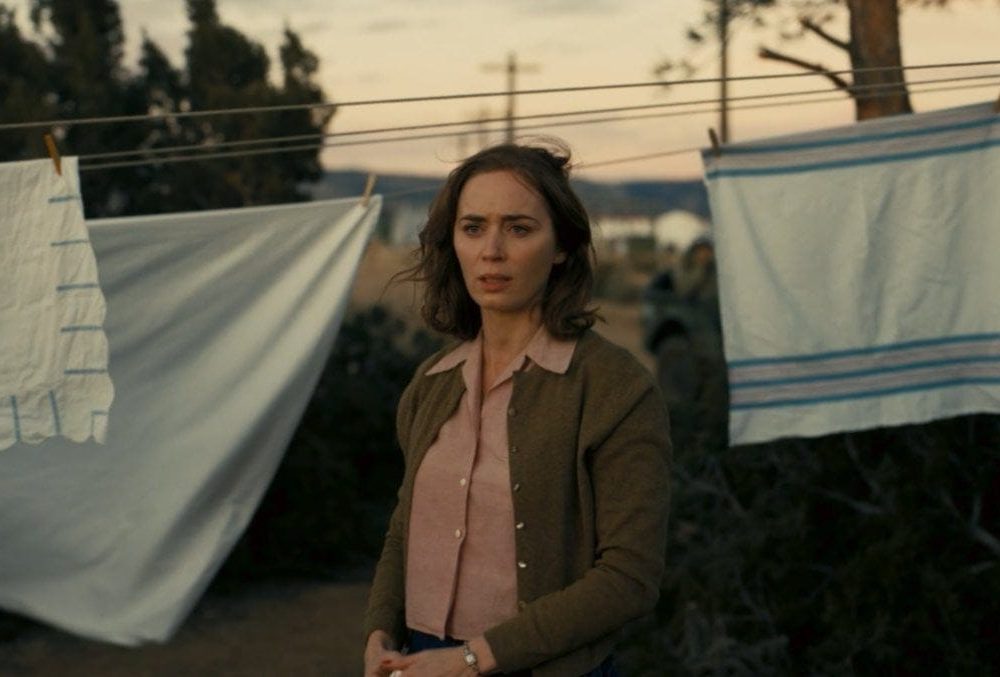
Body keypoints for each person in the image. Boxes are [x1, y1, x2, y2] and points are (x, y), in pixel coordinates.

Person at [363, 140, 672, 677]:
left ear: (561, 247)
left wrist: (472, 660)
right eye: (473, 227)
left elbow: (630, 578)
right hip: (422, 660)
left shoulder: (614, 389)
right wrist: (379, 632)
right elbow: (404, 528)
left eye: (519, 228)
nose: (492, 250)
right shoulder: (431, 384)